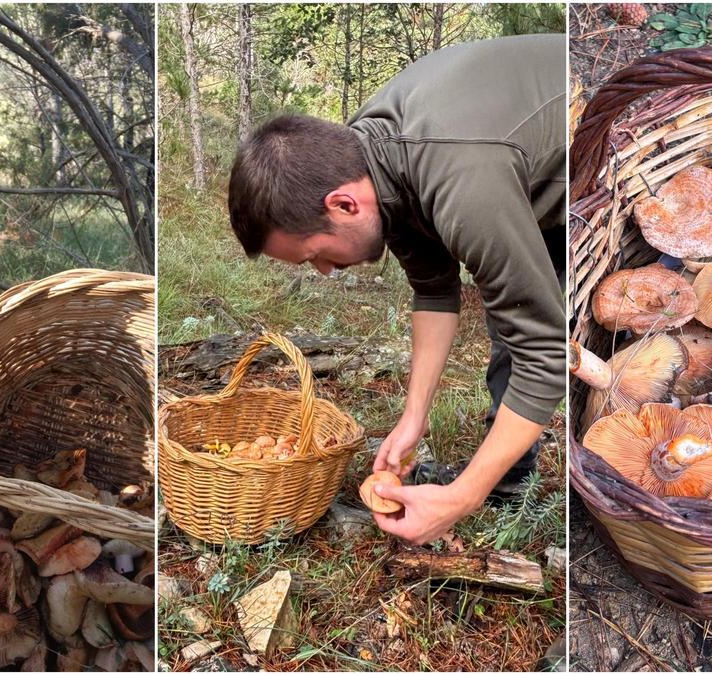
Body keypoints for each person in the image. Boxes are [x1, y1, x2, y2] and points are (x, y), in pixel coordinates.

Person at [227, 34, 566, 545]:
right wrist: (414, 417)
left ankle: (506, 487)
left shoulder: (463, 182)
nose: (323, 270)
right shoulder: (367, 157)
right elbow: (434, 289)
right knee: (515, 316)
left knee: (533, 325)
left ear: (344, 205)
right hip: (514, 161)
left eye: (315, 253)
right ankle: (509, 475)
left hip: (588, 148)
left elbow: (547, 350)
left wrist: (461, 498)